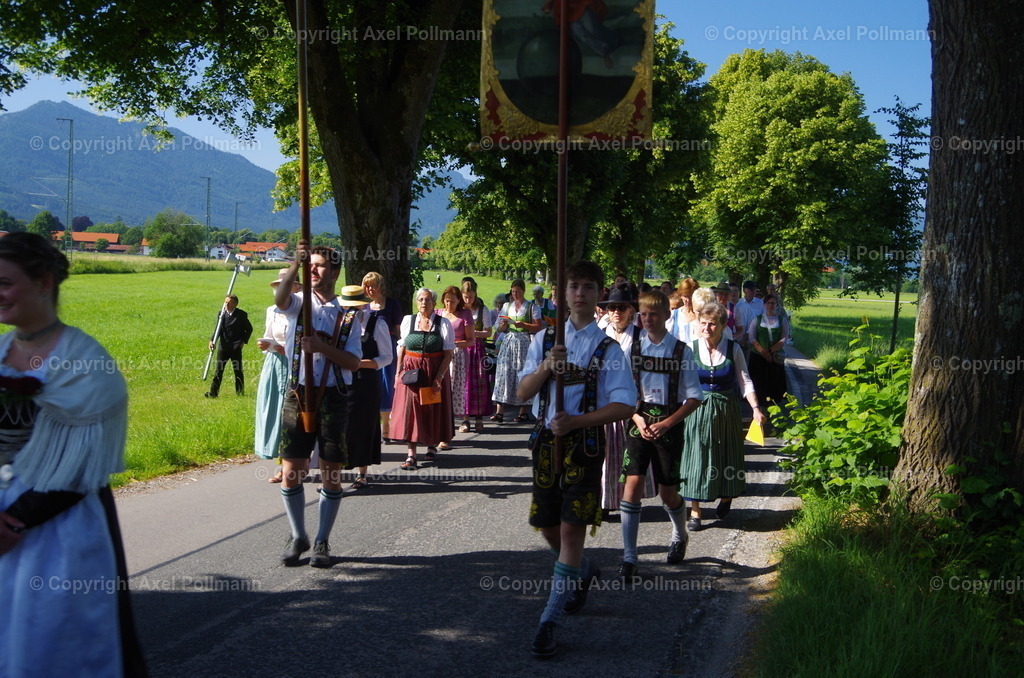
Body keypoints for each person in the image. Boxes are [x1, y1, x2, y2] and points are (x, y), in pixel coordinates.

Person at [0, 232, 146, 677]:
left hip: (57, 525)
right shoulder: (2, 351)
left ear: (43, 282)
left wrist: (15, 520)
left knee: (50, 642)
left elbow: (82, 465)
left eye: (5, 283)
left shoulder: (86, 362)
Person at [518, 261, 637, 659]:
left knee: (572, 530)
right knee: (546, 523)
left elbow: (625, 404)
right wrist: (546, 366)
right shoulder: (544, 339)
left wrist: (577, 421)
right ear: (563, 293)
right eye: (574, 286)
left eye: (588, 286)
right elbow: (522, 392)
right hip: (545, 442)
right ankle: (582, 571)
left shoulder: (608, 348)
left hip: (584, 445)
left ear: (598, 293)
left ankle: (548, 621)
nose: (580, 293)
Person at [274, 241, 363, 568]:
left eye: (320, 265)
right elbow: (279, 299)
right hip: (298, 394)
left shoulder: (348, 314)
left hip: (333, 396)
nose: (313, 269)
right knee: (291, 472)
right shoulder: (299, 304)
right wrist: (295, 264)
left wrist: (322, 348)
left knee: (330, 473)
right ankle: (298, 535)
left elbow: (354, 362)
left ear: (335, 272)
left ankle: (322, 540)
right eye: (309, 264)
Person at [618, 290, 702, 582]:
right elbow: (622, 391)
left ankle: (679, 534)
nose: (647, 319)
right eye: (643, 314)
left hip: (670, 422)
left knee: (668, 491)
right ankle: (630, 557)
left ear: (667, 315)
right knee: (632, 484)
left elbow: (694, 397)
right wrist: (636, 417)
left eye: (653, 314)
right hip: (638, 420)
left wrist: (667, 423)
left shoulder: (681, 351)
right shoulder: (632, 349)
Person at [678, 302, 767, 531]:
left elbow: (745, 381)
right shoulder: (689, 348)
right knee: (696, 457)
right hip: (697, 410)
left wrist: (756, 408)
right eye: (703, 323)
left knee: (727, 455)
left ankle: (726, 496)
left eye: (712, 324)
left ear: (722, 326)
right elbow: (680, 383)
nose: (707, 328)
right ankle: (695, 512)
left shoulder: (733, 348)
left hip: (727, 409)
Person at [598, 283, 655, 512]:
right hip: (604, 403)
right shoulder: (600, 334)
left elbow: (649, 374)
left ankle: (628, 500)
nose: (616, 312)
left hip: (633, 404)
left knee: (629, 455)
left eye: (621, 308)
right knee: (604, 455)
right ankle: (604, 502)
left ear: (631, 311)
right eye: (612, 308)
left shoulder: (641, 337)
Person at [392, 288, 454, 469]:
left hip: (433, 371)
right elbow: (402, 350)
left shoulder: (443, 323)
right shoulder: (408, 321)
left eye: (427, 300)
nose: (424, 303)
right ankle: (411, 454)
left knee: (431, 409)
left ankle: (431, 444)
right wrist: (398, 374)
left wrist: (439, 377)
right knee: (410, 412)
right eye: (420, 299)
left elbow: (448, 354)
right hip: (411, 374)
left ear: (434, 303)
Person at [344, 285, 392, 490]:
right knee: (340, 427)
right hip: (341, 381)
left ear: (363, 305)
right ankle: (334, 473)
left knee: (363, 426)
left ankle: (361, 473)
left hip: (366, 383)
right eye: (348, 307)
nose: (351, 311)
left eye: (355, 307)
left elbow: (387, 357)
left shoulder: (376, 323)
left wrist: (361, 363)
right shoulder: (339, 323)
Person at [256, 268, 300, 483]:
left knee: (290, 414)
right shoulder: (272, 310)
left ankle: (293, 464)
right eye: (279, 287)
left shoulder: (302, 309)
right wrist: (265, 345)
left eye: (286, 286)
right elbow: (268, 335)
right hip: (274, 364)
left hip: (294, 364)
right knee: (274, 412)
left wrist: (288, 349)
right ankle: (282, 463)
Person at [491, 279, 541, 423]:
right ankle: (500, 411)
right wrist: (502, 325)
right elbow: (498, 327)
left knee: (522, 373)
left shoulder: (532, 307)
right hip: (509, 341)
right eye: (513, 292)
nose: (515, 294)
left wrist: (523, 324)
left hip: (524, 342)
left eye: (518, 292)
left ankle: (523, 411)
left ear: (523, 291)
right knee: (503, 373)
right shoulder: (507, 306)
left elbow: (538, 326)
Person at [362, 272, 403, 444]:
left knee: (387, 387)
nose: (370, 289)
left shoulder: (392, 304)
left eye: (373, 285)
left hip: (388, 349)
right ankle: (374, 426)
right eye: (367, 286)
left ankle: (386, 426)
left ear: (380, 286)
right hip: (369, 351)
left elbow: (398, 331)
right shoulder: (364, 306)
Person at [436, 285, 474, 449]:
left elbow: (471, 340)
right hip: (439, 356)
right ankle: (439, 430)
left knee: (454, 392)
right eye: (446, 301)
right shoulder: (438, 313)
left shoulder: (465, 314)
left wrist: (453, 344)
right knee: (439, 393)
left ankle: (457, 424)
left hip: (457, 357)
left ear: (459, 300)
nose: (449, 304)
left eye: (452, 301)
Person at [746, 294, 790, 415]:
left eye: (773, 303)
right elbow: (752, 337)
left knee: (773, 384)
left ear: (776, 305)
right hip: (758, 358)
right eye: (768, 303)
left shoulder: (782, 320)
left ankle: (772, 410)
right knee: (758, 383)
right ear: (764, 305)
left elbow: (783, 339)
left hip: (774, 358)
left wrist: (770, 351)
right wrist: (763, 352)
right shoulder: (757, 319)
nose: (770, 305)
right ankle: (758, 409)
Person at [460, 280, 493, 433]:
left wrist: (474, 333)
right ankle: (465, 419)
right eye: (465, 297)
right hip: (463, 349)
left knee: (479, 383)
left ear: (475, 295)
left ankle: (479, 418)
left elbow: (488, 332)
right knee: (464, 383)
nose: (468, 300)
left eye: (471, 297)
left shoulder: (482, 310)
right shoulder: (460, 310)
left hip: (477, 349)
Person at [205, 293, 253, 397]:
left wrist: (243, 341)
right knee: (218, 370)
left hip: (236, 347)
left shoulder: (241, 315)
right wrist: (212, 340)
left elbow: (249, 329)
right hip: (223, 347)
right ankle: (213, 393)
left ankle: (240, 393)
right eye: (225, 302)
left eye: (229, 303)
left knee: (237, 371)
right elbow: (218, 329)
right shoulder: (221, 314)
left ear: (235, 304)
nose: (227, 304)